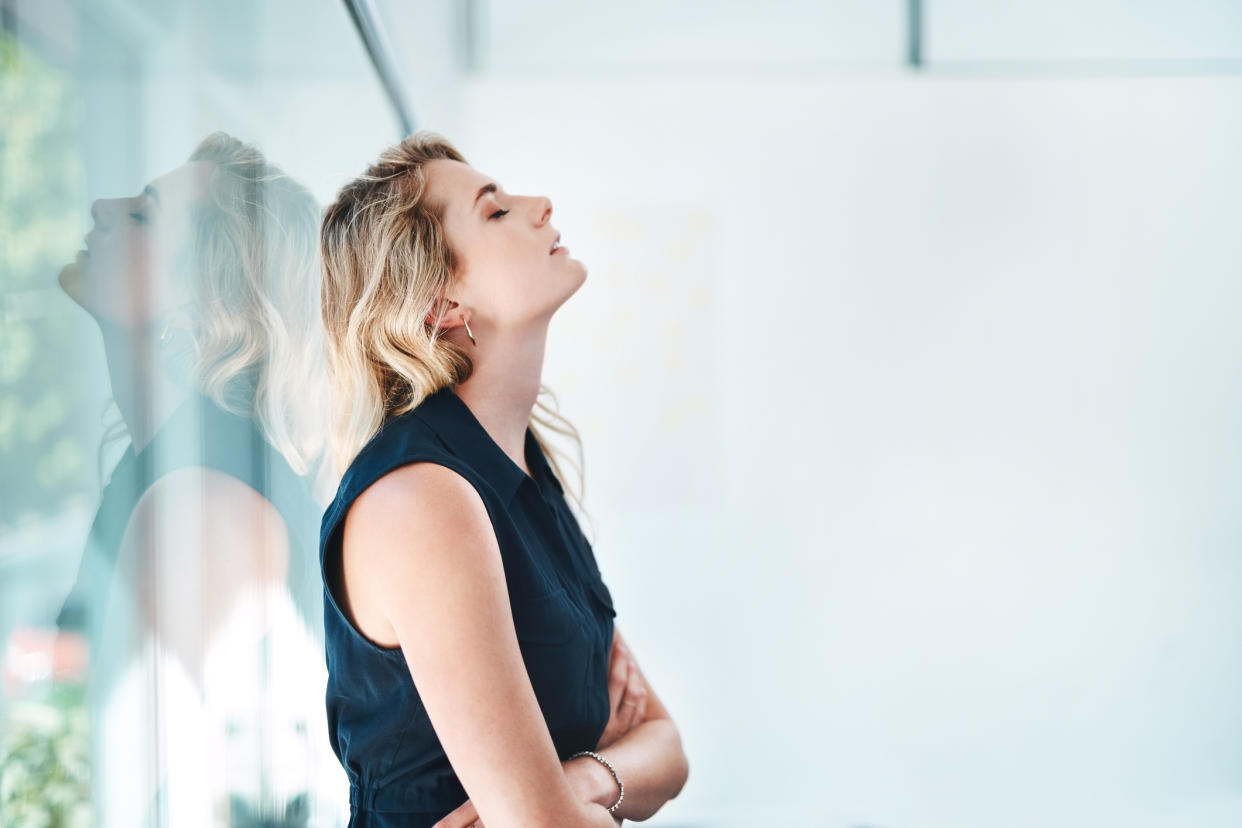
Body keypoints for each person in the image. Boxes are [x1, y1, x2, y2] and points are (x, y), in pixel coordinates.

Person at [317, 130, 690, 828]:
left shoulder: (523, 463)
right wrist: (593, 796)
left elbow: (668, 752)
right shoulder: (423, 499)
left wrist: (580, 782)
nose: (540, 205)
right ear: (442, 305)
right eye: (494, 212)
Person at [52, 132, 332, 826]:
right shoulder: (176, 465)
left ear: (202, 303)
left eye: (144, 216)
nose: (101, 208)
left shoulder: (204, 503)